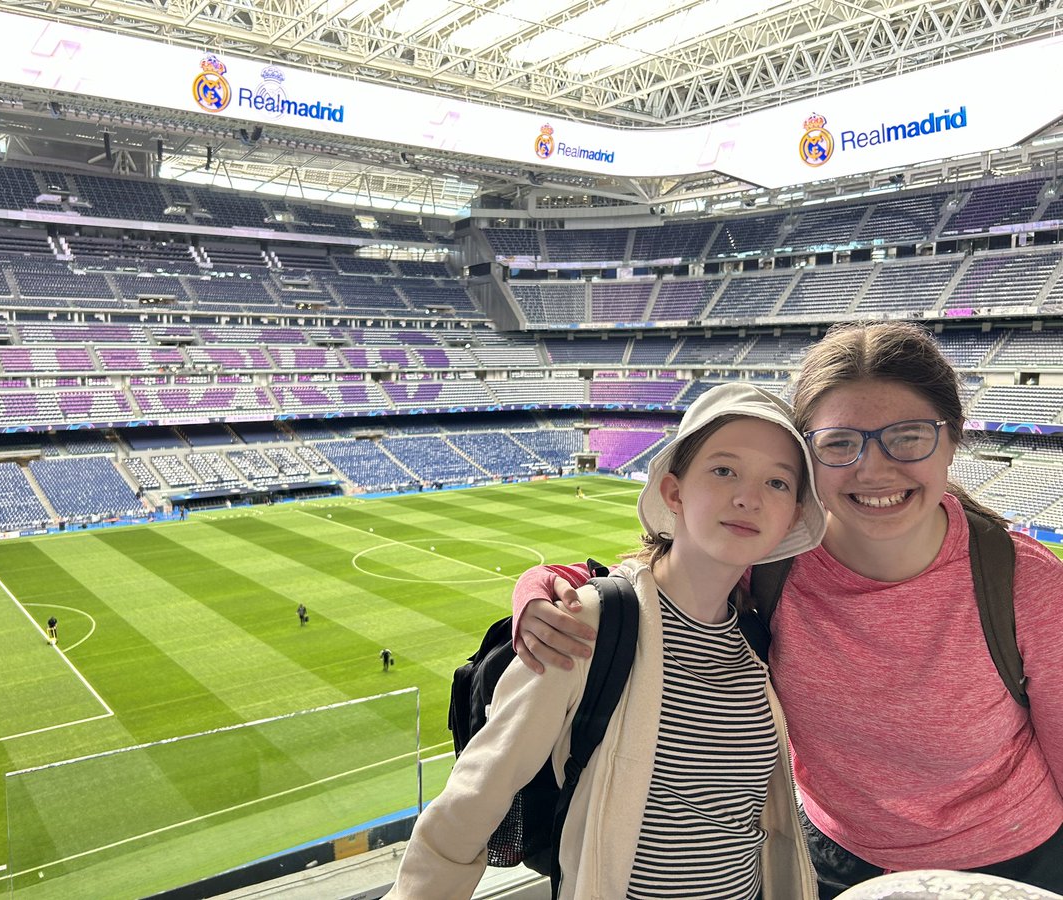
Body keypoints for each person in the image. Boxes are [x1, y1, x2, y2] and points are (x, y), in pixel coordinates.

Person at [510, 322, 1063, 898]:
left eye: (908, 436)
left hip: (1013, 867)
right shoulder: (770, 561)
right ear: (807, 459)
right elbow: (643, 578)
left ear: (951, 440)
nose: (873, 470)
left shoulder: (1023, 583)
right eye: (840, 443)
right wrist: (540, 588)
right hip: (831, 864)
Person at [388, 383, 827, 900]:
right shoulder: (588, 622)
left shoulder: (757, 640)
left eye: (777, 483)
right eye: (724, 469)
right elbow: (472, 800)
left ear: (794, 514)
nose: (748, 497)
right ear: (674, 491)